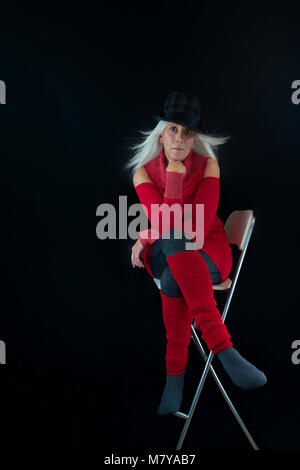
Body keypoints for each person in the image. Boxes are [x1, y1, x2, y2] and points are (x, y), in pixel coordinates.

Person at [124, 91, 267, 415]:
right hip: (167, 250)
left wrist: (146, 234)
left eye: (188, 132)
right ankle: (225, 350)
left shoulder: (208, 167)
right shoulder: (143, 172)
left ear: (195, 138)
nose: (179, 137)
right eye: (173, 129)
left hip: (209, 250)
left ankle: (174, 382)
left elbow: (198, 229)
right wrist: (173, 176)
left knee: (176, 269)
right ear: (161, 132)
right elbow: (167, 222)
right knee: (173, 241)